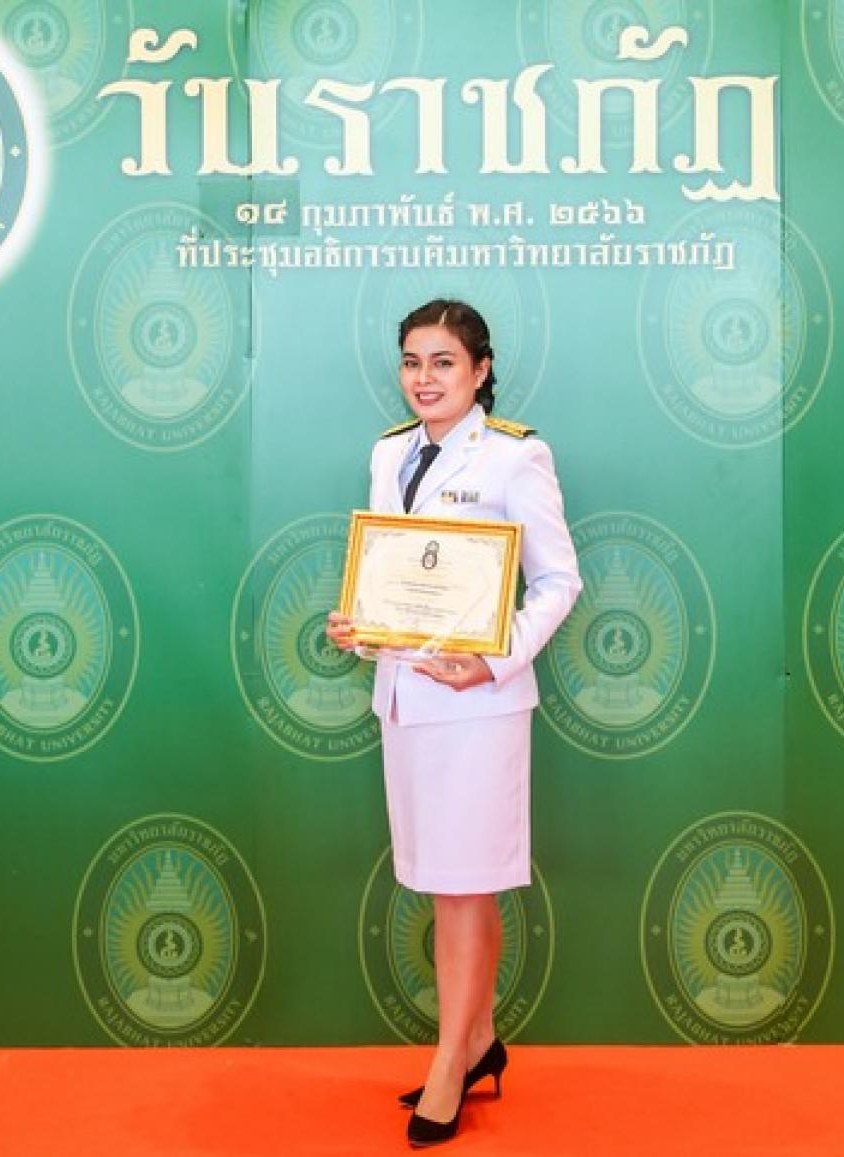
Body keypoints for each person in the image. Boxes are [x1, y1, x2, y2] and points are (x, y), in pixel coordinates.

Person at [327, 299, 582, 1148]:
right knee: (448, 882)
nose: (424, 378)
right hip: (405, 700)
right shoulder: (388, 453)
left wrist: (494, 657)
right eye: (412, 361)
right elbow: (393, 576)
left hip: (478, 708)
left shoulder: (515, 455)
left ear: (480, 370)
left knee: (468, 885)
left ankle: (449, 1063)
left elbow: (559, 581)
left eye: (443, 362)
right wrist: (357, 622)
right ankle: (478, 1042)